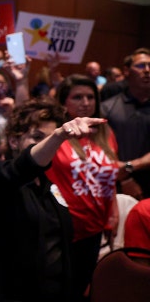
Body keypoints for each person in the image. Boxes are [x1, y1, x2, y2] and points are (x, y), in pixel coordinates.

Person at [0, 97, 108, 302]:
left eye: (50, 138)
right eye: (37, 137)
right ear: (13, 141)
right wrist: (58, 136)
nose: (46, 144)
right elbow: (24, 166)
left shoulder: (49, 186)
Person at [45, 74, 119, 301]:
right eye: (77, 97)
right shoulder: (55, 133)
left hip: (94, 227)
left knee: (78, 290)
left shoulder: (105, 132)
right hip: (61, 228)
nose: (85, 102)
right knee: (54, 291)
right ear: (63, 103)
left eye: (90, 97)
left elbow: (108, 176)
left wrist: (113, 212)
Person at [101, 47, 150, 200]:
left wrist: (131, 166)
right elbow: (100, 148)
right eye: (141, 66)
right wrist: (125, 179)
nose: (147, 70)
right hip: (115, 185)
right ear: (127, 71)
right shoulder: (108, 108)